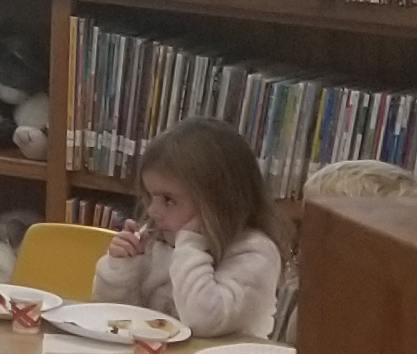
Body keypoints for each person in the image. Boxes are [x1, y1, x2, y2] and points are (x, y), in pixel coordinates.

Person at [90, 117, 286, 340]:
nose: (152, 211)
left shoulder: (255, 254)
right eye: (150, 197)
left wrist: (191, 244)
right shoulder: (159, 241)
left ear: (218, 203)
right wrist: (123, 267)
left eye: (168, 200)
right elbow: (113, 314)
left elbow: (203, 322)